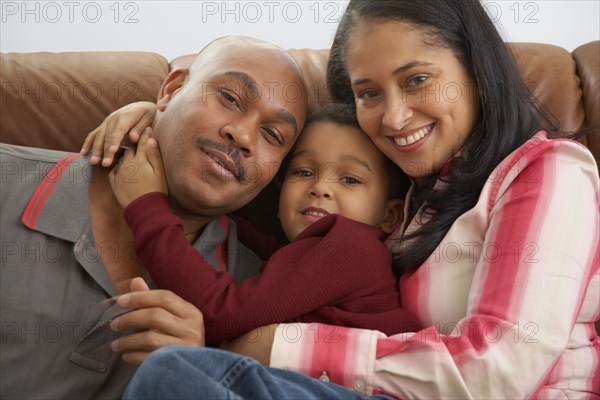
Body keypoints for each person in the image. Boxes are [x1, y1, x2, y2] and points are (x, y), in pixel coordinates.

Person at [120, 0, 600, 399]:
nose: (393, 117)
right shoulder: (409, 199)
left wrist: (274, 345)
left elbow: (497, 371)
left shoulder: (548, 171)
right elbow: (250, 194)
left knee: (174, 374)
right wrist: (158, 118)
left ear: (475, 68)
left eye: (416, 80)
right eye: (369, 93)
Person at [0, 36, 308, 399]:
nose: (242, 135)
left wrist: (200, 370)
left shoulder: (255, 295)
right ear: (172, 90)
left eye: (272, 134)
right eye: (229, 98)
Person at [92, 103, 420, 343]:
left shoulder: (353, 246)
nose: (320, 187)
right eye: (303, 172)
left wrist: (146, 207)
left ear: (390, 216)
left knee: (173, 369)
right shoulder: (302, 255)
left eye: (350, 179)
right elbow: (228, 219)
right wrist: (161, 123)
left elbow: (221, 314)